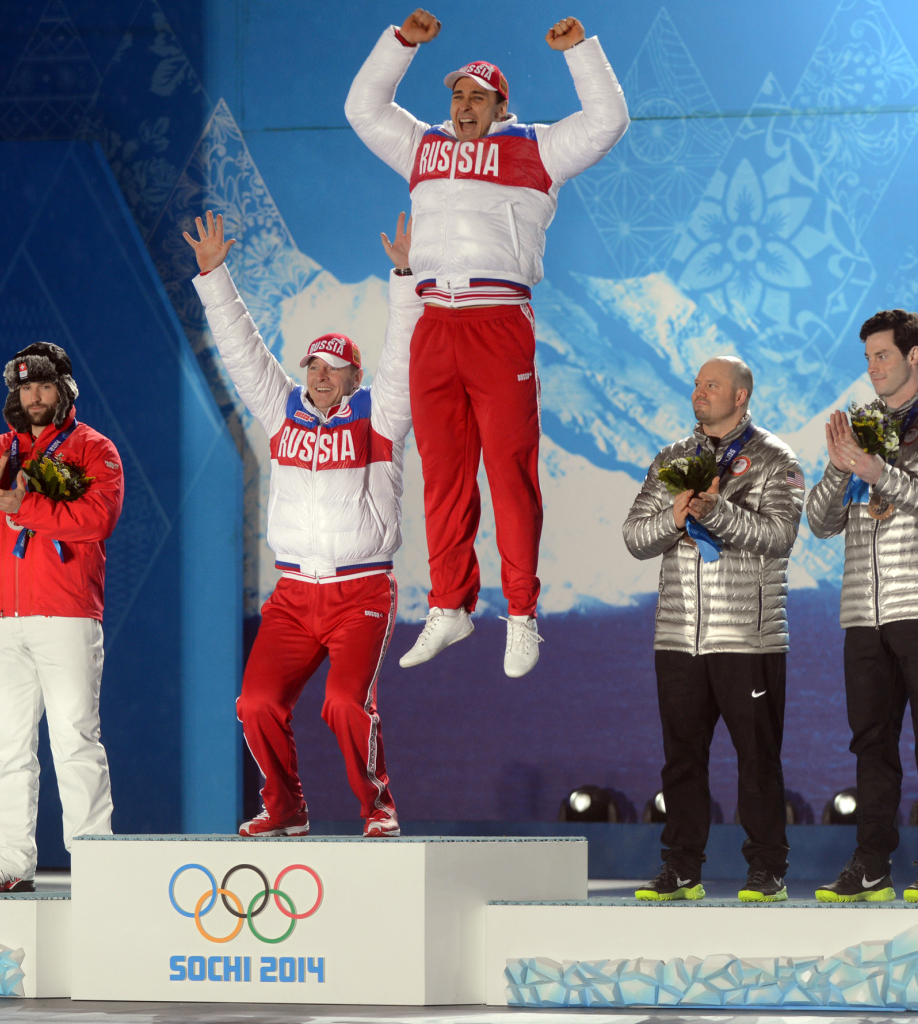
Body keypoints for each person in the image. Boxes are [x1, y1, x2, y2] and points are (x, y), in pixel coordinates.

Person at [345, 9, 630, 678]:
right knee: (443, 474)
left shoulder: (535, 147)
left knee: (508, 471)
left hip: (498, 319)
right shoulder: (423, 146)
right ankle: (449, 606)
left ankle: (523, 615)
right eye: (456, 94)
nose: (463, 104)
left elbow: (608, 121)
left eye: (477, 96)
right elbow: (363, 108)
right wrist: (401, 44)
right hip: (432, 321)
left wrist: (581, 51)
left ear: (503, 105)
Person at [184, 210, 421, 838]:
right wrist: (214, 276)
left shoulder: (382, 418)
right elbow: (243, 348)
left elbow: (403, 357)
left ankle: (378, 807)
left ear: (354, 378)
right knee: (256, 703)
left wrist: (404, 277)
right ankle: (285, 808)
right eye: (312, 363)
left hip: (360, 592)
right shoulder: (281, 411)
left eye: (332, 365)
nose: (318, 372)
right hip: (293, 596)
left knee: (343, 704)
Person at [623, 357, 804, 902]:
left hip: (747, 637)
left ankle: (766, 870)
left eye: (712, 385)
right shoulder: (672, 458)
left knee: (757, 758)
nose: (699, 392)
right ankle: (681, 869)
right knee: (680, 758)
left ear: (742, 395)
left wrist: (715, 511)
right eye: (698, 384)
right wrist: (677, 518)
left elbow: (780, 537)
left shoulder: (776, 459)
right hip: (679, 635)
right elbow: (635, 537)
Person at [0, 343, 123, 892]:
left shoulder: (95, 448)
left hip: (65, 613)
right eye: (26, 388)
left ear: (64, 389)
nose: (34, 397)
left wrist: (21, 505)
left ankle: (94, 864)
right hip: (0, 619)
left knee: (74, 738)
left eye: (44, 386)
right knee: (6, 746)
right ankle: (12, 861)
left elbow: (98, 519)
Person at [807, 309, 918, 903]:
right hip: (863, 615)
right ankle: (872, 865)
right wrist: (840, 467)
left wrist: (882, 474)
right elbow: (820, 522)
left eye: (883, 356)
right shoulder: (861, 428)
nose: (873, 368)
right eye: (868, 358)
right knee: (871, 744)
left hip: (917, 607)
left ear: (914, 356)